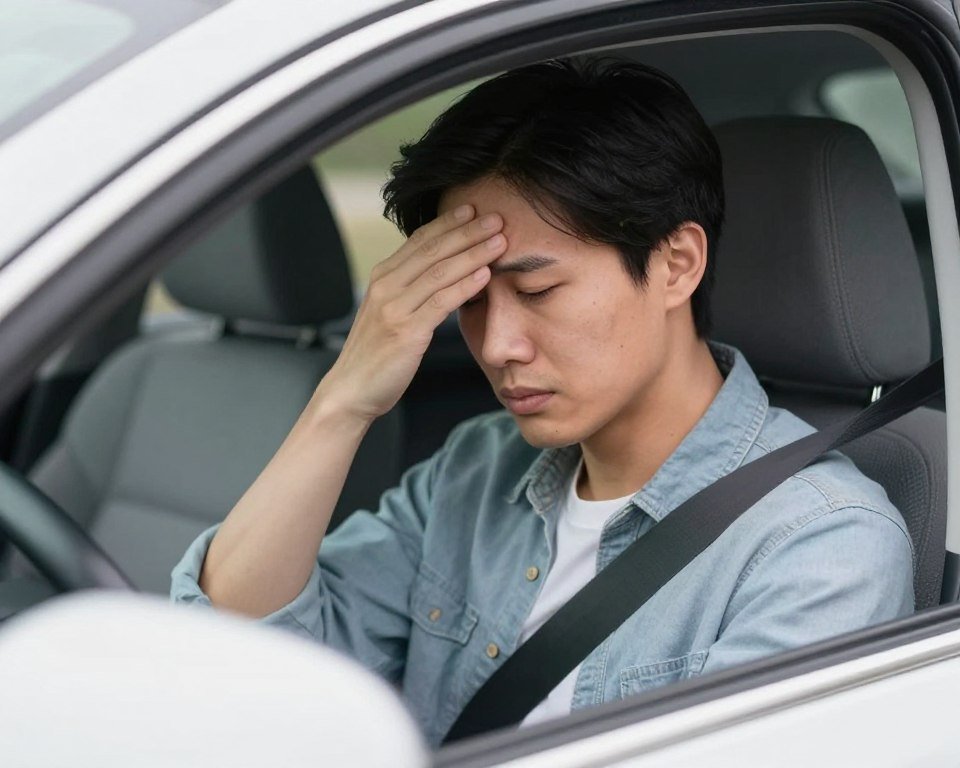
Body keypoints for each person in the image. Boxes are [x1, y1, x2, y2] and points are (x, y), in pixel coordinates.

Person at [172, 58, 914, 747]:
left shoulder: (819, 544)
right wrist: (342, 401)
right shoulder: (474, 472)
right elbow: (233, 663)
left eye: (536, 292)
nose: (496, 346)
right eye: (469, 300)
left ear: (675, 265)